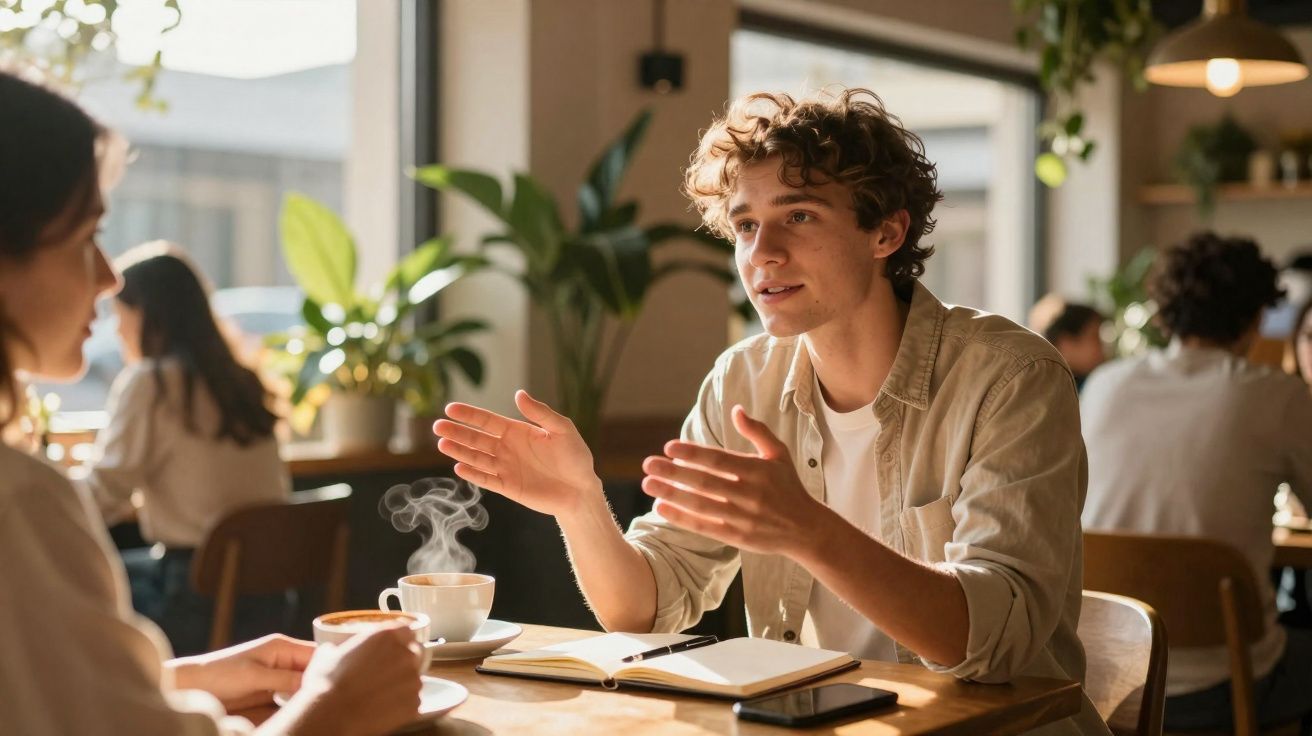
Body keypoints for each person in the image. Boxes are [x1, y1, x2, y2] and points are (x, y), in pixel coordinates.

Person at [435, 89, 1107, 735]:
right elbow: (646, 610)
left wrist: (808, 530)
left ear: (886, 232)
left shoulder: (1011, 376)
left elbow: (994, 644)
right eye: (746, 226)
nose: (762, 254)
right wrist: (580, 504)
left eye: (800, 216)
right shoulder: (742, 380)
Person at [0, 70, 423, 734]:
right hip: (270, 593)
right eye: (86, 238)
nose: (108, 280)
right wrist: (338, 708)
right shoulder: (239, 384)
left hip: (198, 592)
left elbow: (48, 690)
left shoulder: (137, 397)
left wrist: (184, 676)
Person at [1081, 232, 1312, 732]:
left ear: (1166, 311)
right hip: (1227, 685)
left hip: (1102, 681)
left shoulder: (1104, 385)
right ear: (1257, 316)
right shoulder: (1278, 395)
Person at [77, 242, 290, 654]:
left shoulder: (151, 383)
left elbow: (103, 494)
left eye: (121, 315)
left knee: (77, 584)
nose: (117, 331)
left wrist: (42, 486)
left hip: (194, 600)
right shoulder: (242, 381)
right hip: (270, 599)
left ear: (148, 315)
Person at [1027, 294, 1106, 390]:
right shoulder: (1048, 391)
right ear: (1066, 344)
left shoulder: (1089, 381)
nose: (1102, 345)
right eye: (1094, 337)